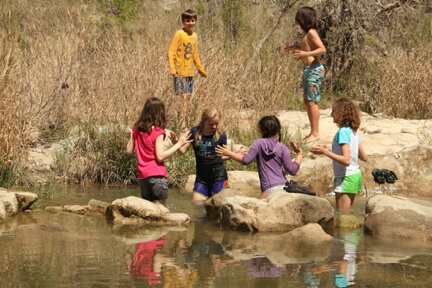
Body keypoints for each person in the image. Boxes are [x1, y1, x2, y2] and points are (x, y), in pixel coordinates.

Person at [216, 116, 303, 199]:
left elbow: (246, 160)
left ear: (261, 130)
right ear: (278, 130)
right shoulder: (283, 148)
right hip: (284, 188)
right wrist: (299, 154)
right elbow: (292, 170)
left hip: (269, 189)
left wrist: (229, 153)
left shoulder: (258, 143)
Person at [126, 97, 192, 206]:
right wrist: (179, 144)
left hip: (143, 177)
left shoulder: (136, 129)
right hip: (157, 175)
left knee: (147, 211)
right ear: (160, 113)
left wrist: (132, 135)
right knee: (160, 212)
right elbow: (160, 156)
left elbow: (128, 151)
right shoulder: (158, 132)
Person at [309, 98, 367, 212]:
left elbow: (346, 160)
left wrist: (325, 152)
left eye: (334, 111)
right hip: (355, 176)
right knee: (346, 214)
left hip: (346, 177)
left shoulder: (343, 132)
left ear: (341, 113)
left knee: (342, 216)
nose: (331, 114)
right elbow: (364, 157)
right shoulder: (353, 131)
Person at [171, 108, 233, 202]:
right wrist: (176, 143)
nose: (214, 126)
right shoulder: (194, 132)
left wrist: (233, 155)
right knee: (197, 205)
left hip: (218, 177)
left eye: (216, 123)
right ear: (204, 121)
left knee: (218, 206)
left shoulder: (221, 137)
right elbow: (181, 152)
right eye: (211, 124)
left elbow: (220, 157)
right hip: (201, 179)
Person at [283, 6, 326, 143]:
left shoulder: (312, 32)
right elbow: (309, 48)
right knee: (307, 100)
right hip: (308, 70)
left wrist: (305, 54)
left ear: (302, 19)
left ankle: (315, 133)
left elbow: (321, 49)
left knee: (312, 101)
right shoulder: (307, 34)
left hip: (314, 70)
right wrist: (295, 48)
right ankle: (313, 132)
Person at [168, 9, 208, 129]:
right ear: (183, 21)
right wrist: (172, 68)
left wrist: (201, 70)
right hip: (180, 71)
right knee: (183, 97)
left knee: (187, 97)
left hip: (190, 72)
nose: (190, 23)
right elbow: (171, 51)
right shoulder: (179, 34)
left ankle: (182, 121)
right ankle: (182, 124)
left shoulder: (194, 36)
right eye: (188, 21)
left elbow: (195, 54)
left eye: (192, 20)